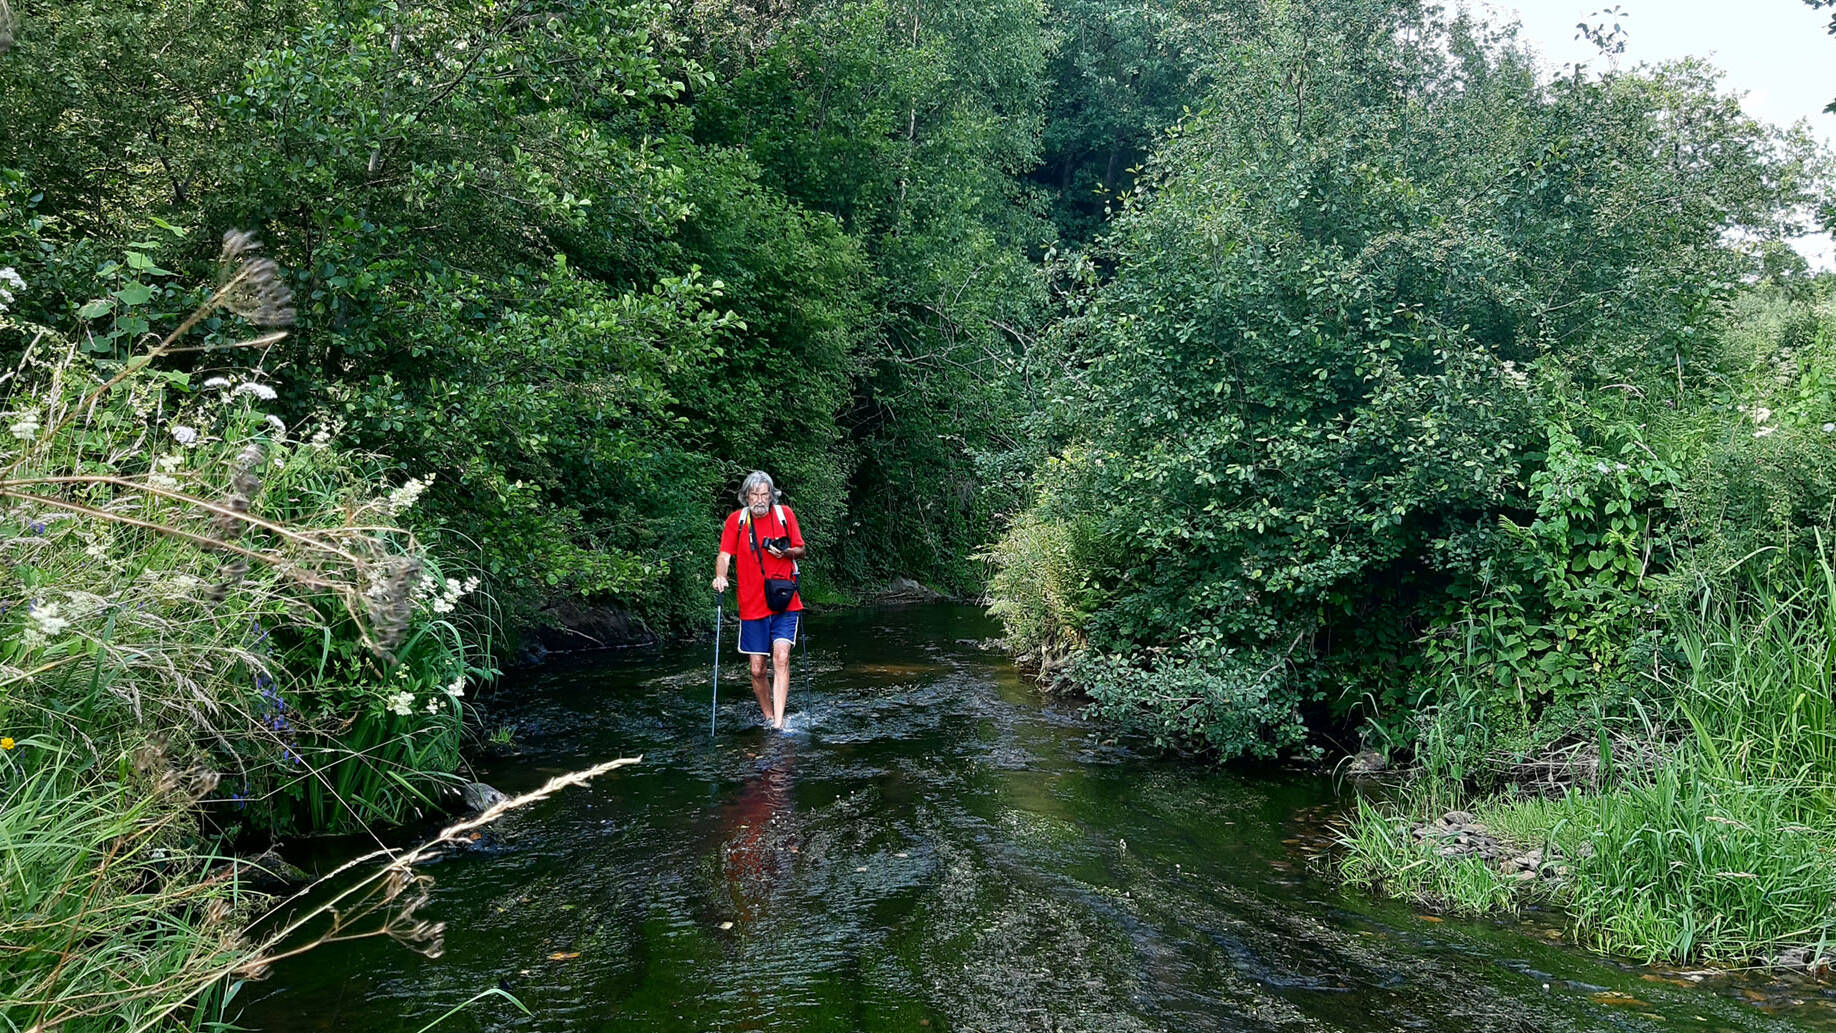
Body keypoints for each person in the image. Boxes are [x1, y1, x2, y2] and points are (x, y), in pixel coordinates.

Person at [711, 471, 805, 729]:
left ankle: (779, 724)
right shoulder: (737, 521)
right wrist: (721, 576)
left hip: (785, 599)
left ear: (772, 496)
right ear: (746, 496)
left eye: (765, 495)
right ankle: (768, 716)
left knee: (782, 657)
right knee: (757, 669)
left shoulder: (784, 515)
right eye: (755, 495)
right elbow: (724, 555)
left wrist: (785, 552)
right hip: (752, 603)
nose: (760, 500)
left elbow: (801, 549)